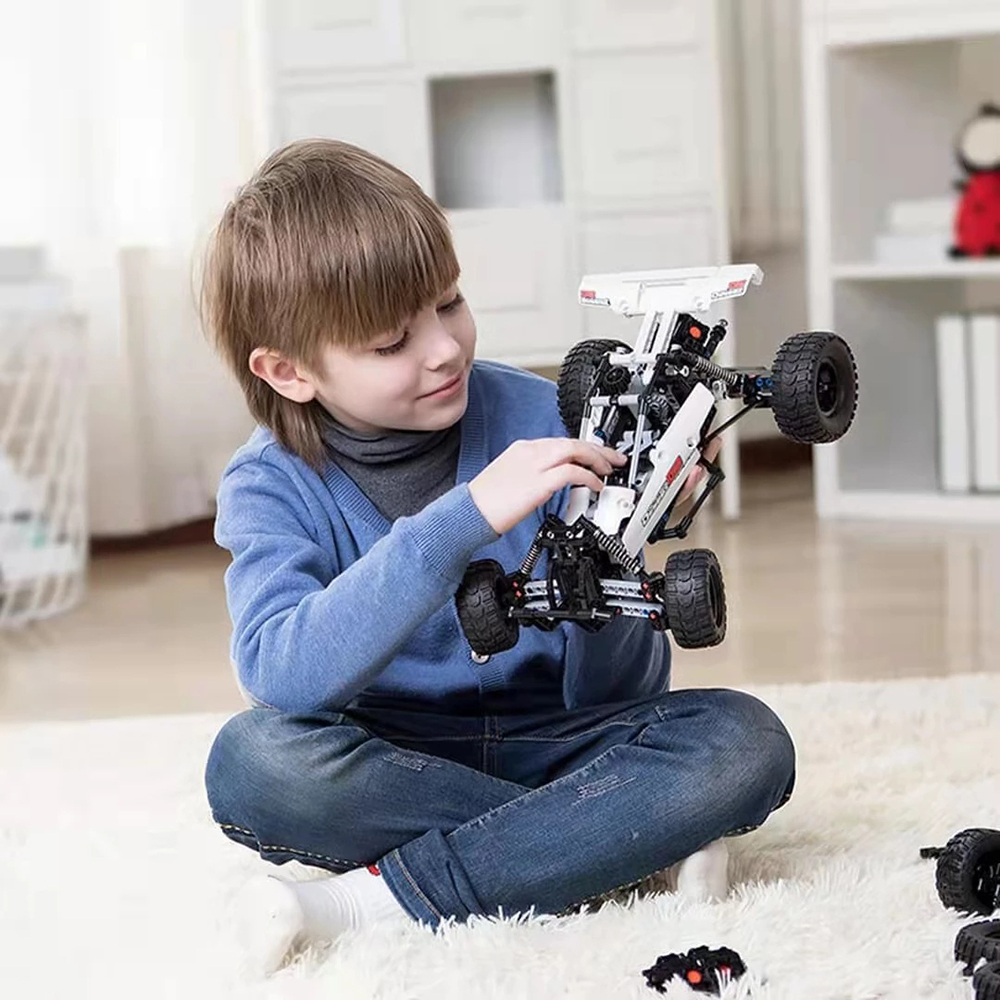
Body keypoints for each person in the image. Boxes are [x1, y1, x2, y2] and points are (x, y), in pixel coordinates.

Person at [200, 138, 796, 973]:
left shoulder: (545, 415)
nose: (443, 348)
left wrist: (620, 551)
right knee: (252, 764)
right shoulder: (268, 484)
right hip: (393, 756)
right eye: (388, 343)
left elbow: (623, 690)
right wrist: (463, 519)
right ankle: (612, 843)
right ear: (288, 371)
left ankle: (365, 902)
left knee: (744, 741)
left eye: (450, 303)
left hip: (562, 734)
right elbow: (281, 674)